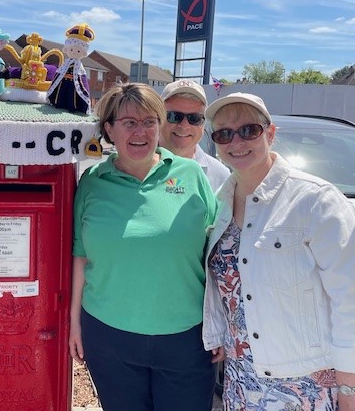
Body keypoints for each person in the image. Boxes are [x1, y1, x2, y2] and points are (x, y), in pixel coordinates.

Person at [70, 83, 221, 411]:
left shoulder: (191, 174)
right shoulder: (92, 182)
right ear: (109, 128)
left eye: (149, 121)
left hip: (187, 338)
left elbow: (216, 254)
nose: (140, 131)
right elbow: (80, 256)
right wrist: (74, 323)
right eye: (129, 122)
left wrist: (219, 322)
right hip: (109, 336)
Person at [202, 92, 355, 410]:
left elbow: (349, 300)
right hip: (240, 379)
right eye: (224, 133)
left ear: (270, 133)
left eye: (248, 130)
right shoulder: (219, 202)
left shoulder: (315, 200)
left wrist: (348, 390)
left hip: (305, 385)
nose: (236, 142)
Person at [160, 79, 229, 191]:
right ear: (158, 117)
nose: (184, 126)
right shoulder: (132, 165)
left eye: (195, 118)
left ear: (204, 123)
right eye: (174, 116)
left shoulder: (220, 175)